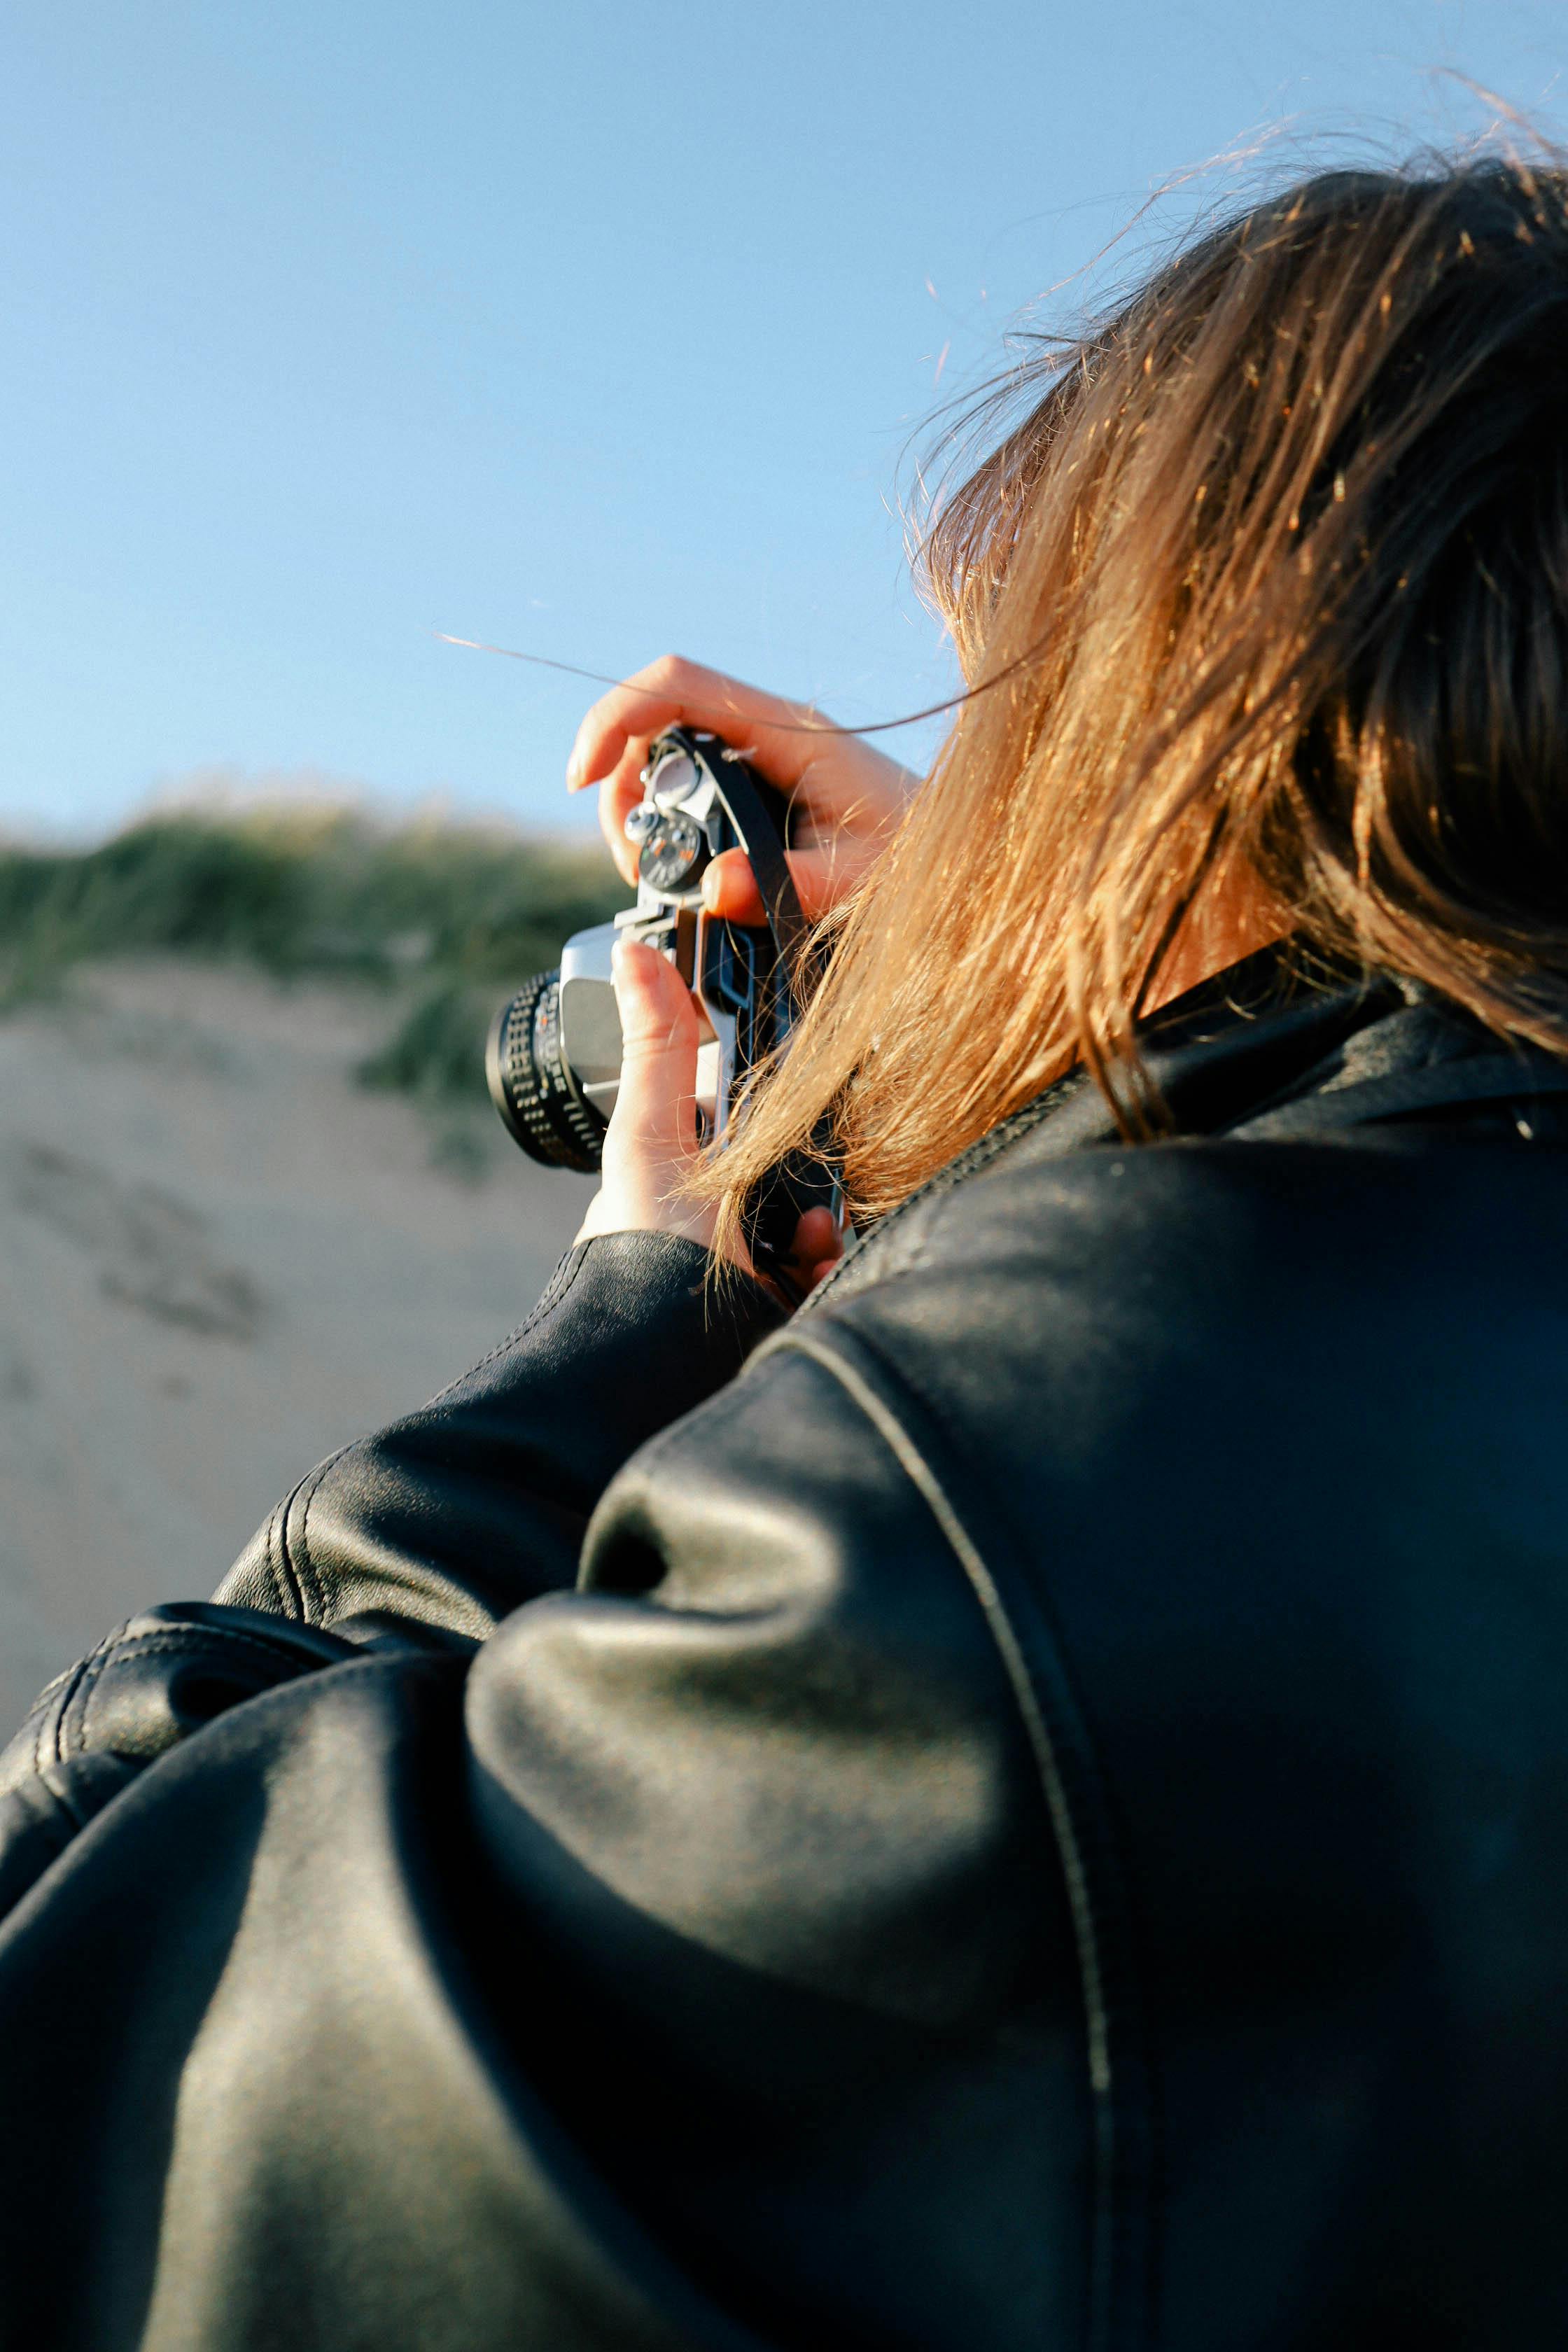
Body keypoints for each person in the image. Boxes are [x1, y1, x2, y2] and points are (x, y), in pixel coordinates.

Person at [4, 150, 1568, 2351]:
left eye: (1010, 696)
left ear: (1182, 733)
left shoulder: (1013, 1476)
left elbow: (95, 2037)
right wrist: (1035, 998)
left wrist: (643, 1304)